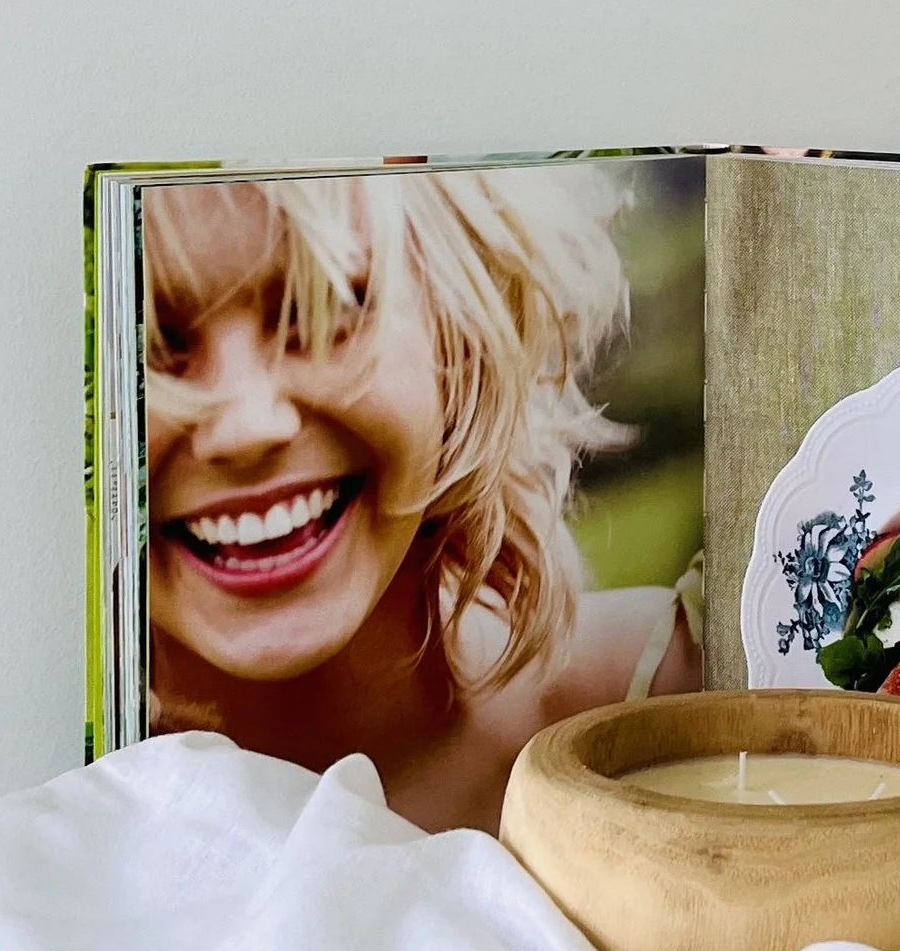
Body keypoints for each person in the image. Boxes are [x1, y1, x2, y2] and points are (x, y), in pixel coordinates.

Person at [142, 166, 699, 832]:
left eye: (321, 308)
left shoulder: (683, 692)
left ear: (457, 324)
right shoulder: (34, 832)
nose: (246, 424)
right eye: (152, 344)